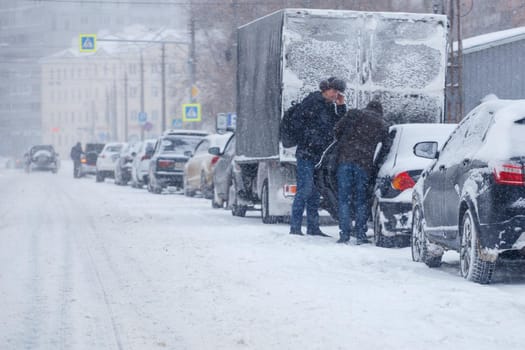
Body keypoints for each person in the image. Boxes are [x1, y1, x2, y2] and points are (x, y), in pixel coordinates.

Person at [289, 77, 347, 236]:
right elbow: (298, 124)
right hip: (306, 153)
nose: (336, 95)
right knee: (305, 189)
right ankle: (295, 227)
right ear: (326, 89)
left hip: (319, 156)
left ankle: (313, 227)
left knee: (315, 191)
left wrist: (341, 106)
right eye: (334, 91)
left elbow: (339, 125)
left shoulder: (329, 107)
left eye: (338, 92)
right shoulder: (312, 102)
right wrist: (312, 139)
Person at [334, 101, 391, 244]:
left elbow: (336, 130)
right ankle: (360, 233)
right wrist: (376, 162)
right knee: (361, 199)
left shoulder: (354, 114)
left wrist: (345, 143)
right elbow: (386, 147)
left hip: (345, 161)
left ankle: (344, 234)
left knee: (344, 199)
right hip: (364, 164)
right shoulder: (382, 124)